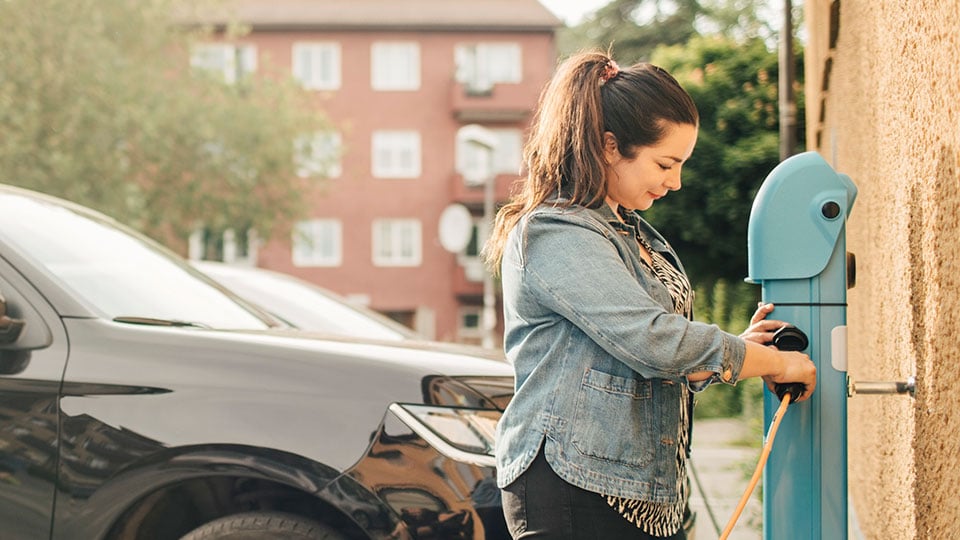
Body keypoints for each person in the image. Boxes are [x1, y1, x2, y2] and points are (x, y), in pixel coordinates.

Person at [481, 51, 818, 539]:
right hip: (573, 487)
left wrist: (742, 350)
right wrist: (777, 364)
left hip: (633, 489)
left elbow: (660, 353)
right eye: (665, 163)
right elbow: (655, 341)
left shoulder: (632, 232)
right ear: (610, 146)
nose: (676, 182)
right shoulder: (556, 232)